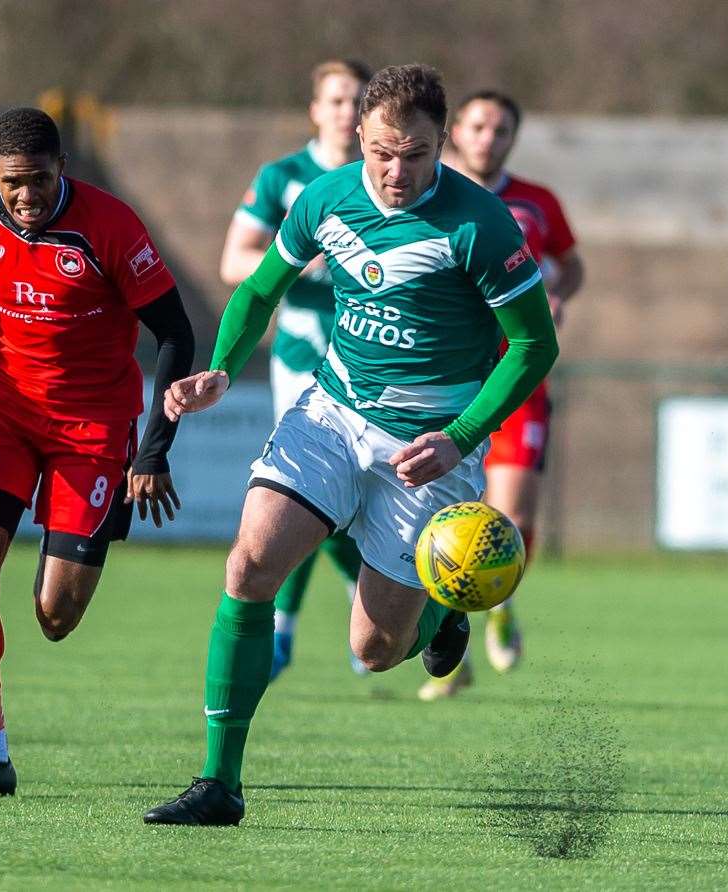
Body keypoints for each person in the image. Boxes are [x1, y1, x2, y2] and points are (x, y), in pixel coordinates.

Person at [142, 65, 559, 826]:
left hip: (429, 444)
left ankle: (442, 617)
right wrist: (221, 371)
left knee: (373, 650)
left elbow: (534, 345)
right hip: (331, 415)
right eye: (382, 154)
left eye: (417, 155)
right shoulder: (324, 198)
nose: (397, 173)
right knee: (248, 565)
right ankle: (218, 784)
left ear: (442, 145)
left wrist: (463, 436)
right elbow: (261, 287)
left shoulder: (479, 225)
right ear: (357, 139)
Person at [0, 107, 194, 797]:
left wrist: (151, 450)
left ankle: (58, 532)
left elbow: (175, 335)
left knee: (55, 619)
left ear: (63, 168)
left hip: (94, 428)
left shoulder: (111, 227)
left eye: (38, 179)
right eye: (12, 183)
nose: (25, 195)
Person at [418, 90, 586, 701]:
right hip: (454, 378)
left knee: (511, 517)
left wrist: (559, 292)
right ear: (456, 131)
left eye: (502, 129)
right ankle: (449, 644)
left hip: (517, 380)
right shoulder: (429, 196)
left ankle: (500, 602)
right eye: (479, 125)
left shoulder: (537, 203)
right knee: (433, 519)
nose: (489, 138)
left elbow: (571, 265)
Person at [219, 59, 371, 680]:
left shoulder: (386, 181)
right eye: (336, 100)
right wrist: (301, 263)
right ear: (315, 109)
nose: (347, 111)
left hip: (374, 366)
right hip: (304, 360)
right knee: (302, 491)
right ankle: (284, 629)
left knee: (355, 501)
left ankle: (374, 603)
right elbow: (235, 261)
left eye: (359, 101)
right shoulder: (286, 178)